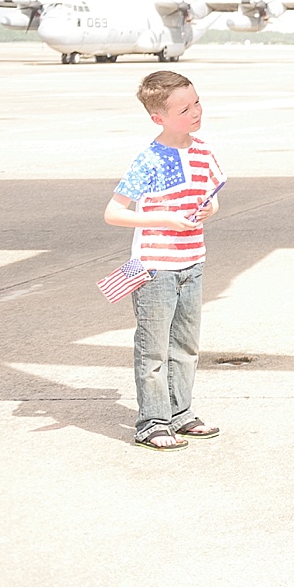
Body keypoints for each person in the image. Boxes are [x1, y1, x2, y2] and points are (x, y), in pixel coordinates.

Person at [103, 70, 226, 451]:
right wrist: (163, 218)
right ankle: (152, 423)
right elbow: (113, 212)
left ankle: (181, 413)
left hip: (193, 262)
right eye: (184, 108)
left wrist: (211, 209)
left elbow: (211, 195)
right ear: (158, 117)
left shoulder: (203, 150)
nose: (196, 112)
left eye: (197, 102)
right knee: (153, 348)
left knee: (186, 346)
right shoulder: (151, 160)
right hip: (155, 267)